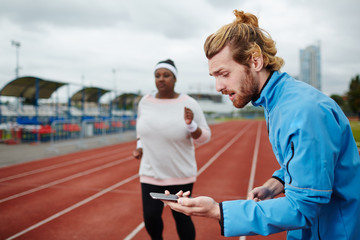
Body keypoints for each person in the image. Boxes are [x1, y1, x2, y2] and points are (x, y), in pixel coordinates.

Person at [163, 10, 360, 239]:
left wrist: (218, 211)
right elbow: (305, 163)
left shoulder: (302, 111)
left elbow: (304, 208)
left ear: (255, 61)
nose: (218, 86)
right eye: (213, 76)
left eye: (224, 74)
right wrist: (274, 185)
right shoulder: (277, 102)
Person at [132, 59, 211, 240]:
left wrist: (191, 126)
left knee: (182, 218)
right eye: (157, 75)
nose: (161, 79)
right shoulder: (145, 102)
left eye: (166, 75)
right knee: (150, 217)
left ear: (175, 79)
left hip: (180, 173)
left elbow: (205, 137)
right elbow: (142, 129)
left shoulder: (189, 103)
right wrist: (139, 146)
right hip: (150, 172)